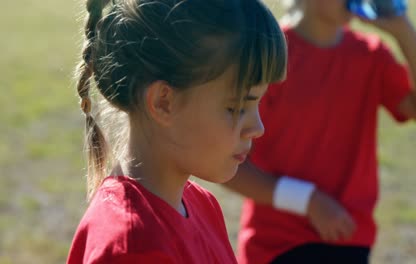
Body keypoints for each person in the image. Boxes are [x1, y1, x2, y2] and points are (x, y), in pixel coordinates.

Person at [223, 0, 416, 263]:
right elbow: (229, 169)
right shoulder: (270, 58)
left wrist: (404, 32)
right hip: (276, 244)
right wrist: (307, 200)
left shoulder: (371, 56)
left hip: (347, 236)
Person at [66, 0, 287, 263]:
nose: (258, 128)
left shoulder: (200, 204)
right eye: (236, 107)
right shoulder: (134, 247)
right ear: (163, 103)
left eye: (258, 103)